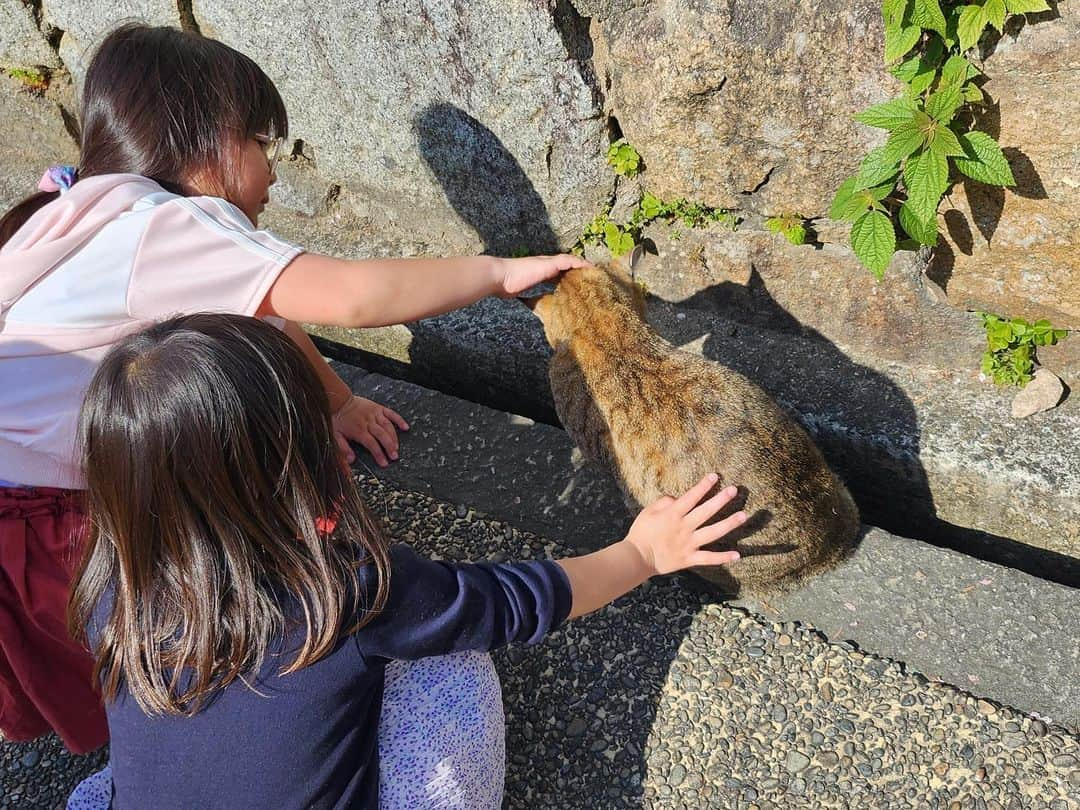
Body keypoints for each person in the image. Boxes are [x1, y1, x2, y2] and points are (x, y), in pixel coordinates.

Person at [0, 23, 586, 757]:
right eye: (259, 143)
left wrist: (337, 402)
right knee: (163, 656)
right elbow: (350, 295)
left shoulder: (88, 210)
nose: (273, 171)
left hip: (32, 489)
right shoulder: (164, 225)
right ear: (210, 142)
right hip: (58, 521)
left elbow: (262, 309)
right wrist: (496, 273)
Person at [67, 314, 744, 808]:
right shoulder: (349, 590)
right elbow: (509, 601)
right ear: (287, 465)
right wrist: (641, 552)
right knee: (453, 658)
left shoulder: (109, 585)